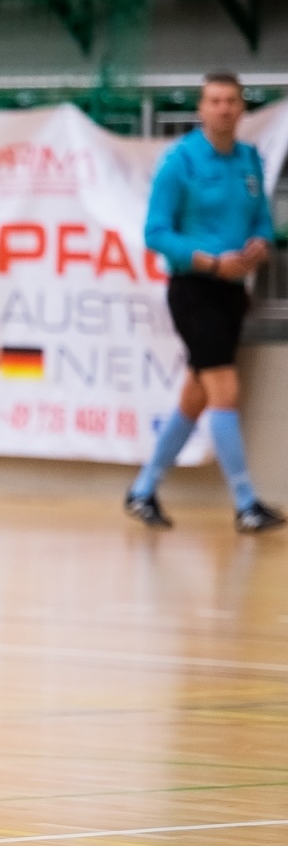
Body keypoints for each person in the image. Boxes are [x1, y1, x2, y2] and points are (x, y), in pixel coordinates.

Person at [126, 72, 284, 534]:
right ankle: (245, 503)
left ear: (242, 109)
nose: (223, 108)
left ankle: (142, 490)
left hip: (234, 291)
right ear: (201, 108)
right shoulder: (180, 162)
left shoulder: (250, 159)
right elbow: (156, 233)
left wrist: (259, 244)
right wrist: (212, 262)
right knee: (224, 389)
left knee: (197, 393)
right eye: (214, 100)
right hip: (195, 289)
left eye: (231, 101)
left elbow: (260, 220)